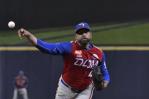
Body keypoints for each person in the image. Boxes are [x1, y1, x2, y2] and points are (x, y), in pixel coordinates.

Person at [17, 22, 110, 99]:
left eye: (86, 31)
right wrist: (28, 35)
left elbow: (105, 74)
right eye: (80, 32)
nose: (83, 34)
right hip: (66, 88)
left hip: (85, 90)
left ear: (90, 34)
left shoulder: (99, 53)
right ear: (76, 36)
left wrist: (103, 84)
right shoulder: (68, 47)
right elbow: (46, 47)